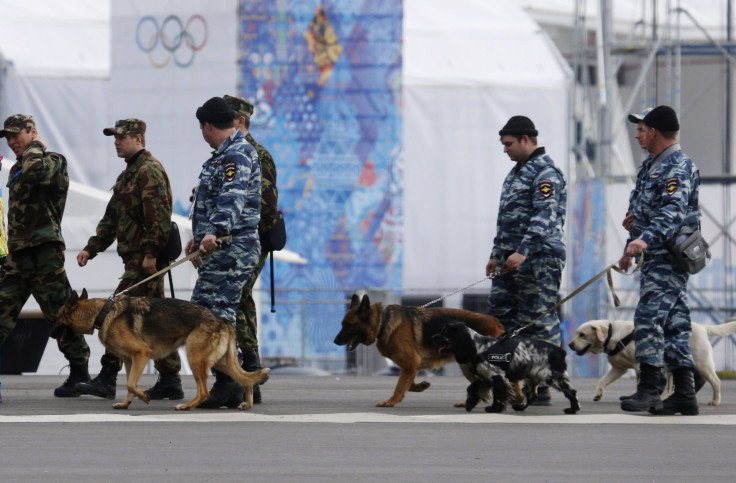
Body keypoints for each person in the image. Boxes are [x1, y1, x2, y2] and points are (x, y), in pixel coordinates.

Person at [73, 119, 183, 401]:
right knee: (154, 321)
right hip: (134, 261)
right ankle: (170, 379)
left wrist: (150, 254)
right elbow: (111, 219)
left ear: (138, 138)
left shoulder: (148, 170)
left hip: (144, 263)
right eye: (114, 138)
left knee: (116, 315)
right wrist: (91, 248)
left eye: (121, 137)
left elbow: (158, 218)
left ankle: (108, 378)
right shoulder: (128, 175)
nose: (116, 142)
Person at [0, 114, 91, 397]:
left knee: (61, 315)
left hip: (43, 254)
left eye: (17, 135)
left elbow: (35, 171)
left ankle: (80, 372)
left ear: (33, 133)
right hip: (17, 256)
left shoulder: (52, 161)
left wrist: (37, 147)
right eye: (9, 138)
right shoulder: (19, 166)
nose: (13, 141)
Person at [618, 105, 701, 415]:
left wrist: (643, 239)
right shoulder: (652, 166)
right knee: (675, 325)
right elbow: (640, 213)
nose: (638, 135)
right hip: (654, 256)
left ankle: (650, 389)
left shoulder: (678, 166)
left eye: (641, 130)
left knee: (648, 318)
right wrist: (631, 243)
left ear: (653, 131)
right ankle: (684, 394)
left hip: (669, 256)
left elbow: (672, 211)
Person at [186, 96, 262, 409]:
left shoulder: (237, 153)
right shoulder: (225, 154)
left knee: (213, 315)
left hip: (233, 248)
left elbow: (233, 198)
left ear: (207, 125)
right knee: (214, 313)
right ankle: (233, 381)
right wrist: (199, 235)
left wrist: (214, 231)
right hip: (222, 248)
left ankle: (229, 381)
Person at [485, 115, 567, 406]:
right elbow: (505, 220)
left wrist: (524, 250)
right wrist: (497, 255)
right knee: (501, 318)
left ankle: (542, 383)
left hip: (538, 259)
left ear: (526, 140)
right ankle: (510, 382)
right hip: (510, 261)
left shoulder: (545, 172)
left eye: (509, 144)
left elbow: (544, 215)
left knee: (537, 320)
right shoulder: (516, 173)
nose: (505, 149)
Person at [223, 94, 279, 405]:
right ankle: (250, 365)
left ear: (240, 120)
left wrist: (247, 237)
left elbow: (268, 205)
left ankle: (250, 365)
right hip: (235, 241)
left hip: (249, 240)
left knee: (238, 295)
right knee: (240, 298)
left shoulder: (258, 154)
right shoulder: (231, 152)